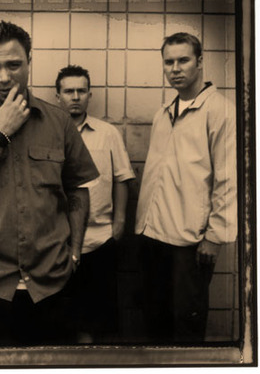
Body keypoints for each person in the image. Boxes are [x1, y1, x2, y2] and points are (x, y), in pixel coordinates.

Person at [0, 21, 99, 346]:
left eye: (13, 65)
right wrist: (0, 133)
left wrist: (74, 253)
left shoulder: (58, 121)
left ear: (29, 61)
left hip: (51, 286)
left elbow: (77, 189)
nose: (3, 77)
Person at [135, 32, 237, 343]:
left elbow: (228, 179)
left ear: (200, 61)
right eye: (169, 62)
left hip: (190, 241)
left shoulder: (220, 111)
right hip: (152, 234)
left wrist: (214, 237)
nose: (175, 68)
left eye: (183, 60)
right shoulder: (164, 112)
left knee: (185, 325)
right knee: (155, 320)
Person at [56, 65, 135, 343]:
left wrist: (119, 223)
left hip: (100, 238)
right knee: (60, 317)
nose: (75, 97)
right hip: (58, 241)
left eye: (81, 91)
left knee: (94, 320)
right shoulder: (49, 133)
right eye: (69, 91)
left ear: (90, 94)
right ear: (58, 95)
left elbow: (122, 178)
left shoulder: (107, 133)